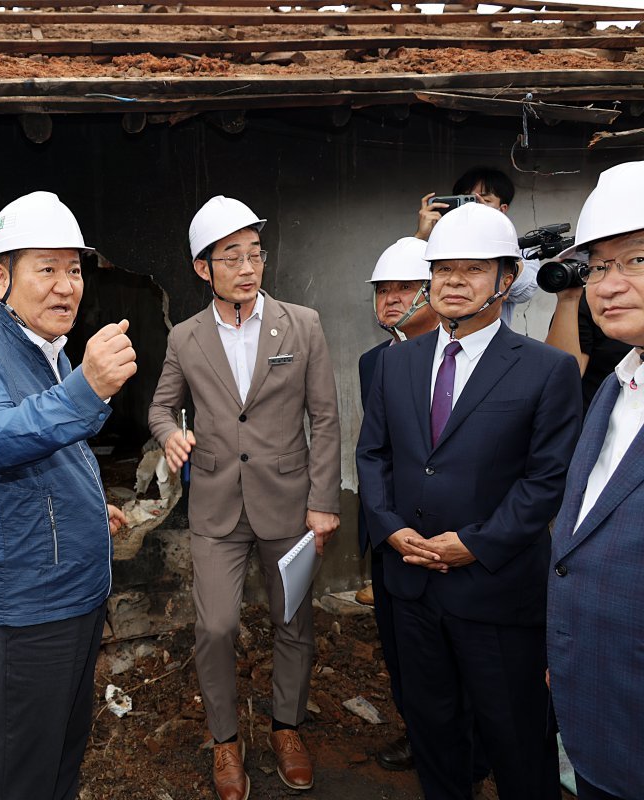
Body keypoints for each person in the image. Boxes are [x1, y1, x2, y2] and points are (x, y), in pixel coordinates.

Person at [357, 201, 581, 800]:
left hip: (496, 593)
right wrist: (388, 527)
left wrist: (475, 545)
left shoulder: (545, 371)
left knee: (515, 738)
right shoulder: (394, 365)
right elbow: (373, 456)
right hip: (412, 587)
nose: (453, 281)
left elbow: (544, 481)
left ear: (506, 281)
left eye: (473, 269)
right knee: (433, 733)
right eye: (443, 268)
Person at [0, 191, 135, 800]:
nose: (66, 286)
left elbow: (52, 446)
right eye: (46, 268)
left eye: (74, 269)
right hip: (26, 609)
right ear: (1, 278)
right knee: (21, 776)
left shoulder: (44, 348)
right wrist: (87, 389)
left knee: (61, 757)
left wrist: (85, 506)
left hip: (71, 595)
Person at [149, 196, 341, 798]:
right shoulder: (185, 337)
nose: (247, 266)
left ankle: (287, 728)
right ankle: (225, 742)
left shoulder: (301, 323)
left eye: (254, 253)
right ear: (203, 268)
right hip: (214, 504)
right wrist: (171, 435)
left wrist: (324, 499)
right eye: (230, 256)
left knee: (293, 621)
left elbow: (326, 418)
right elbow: (159, 406)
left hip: (288, 502)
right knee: (216, 626)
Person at [547, 160, 644, 800]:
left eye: (635, 260)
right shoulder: (615, 388)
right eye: (599, 266)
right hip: (598, 708)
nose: (609, 284)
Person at [355, 236, 437, 772]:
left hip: (447, 535)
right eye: (382, 290)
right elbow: (376, 450)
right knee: (399, 647)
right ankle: (420, 736)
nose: (390, 299)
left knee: (448, 651)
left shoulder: (459, 358)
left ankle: (466, 748)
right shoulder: (372, 362)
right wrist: (383, 524)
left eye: (404, 287)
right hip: (388, 533)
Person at [415, 166, 539, 325]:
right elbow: (406, 286)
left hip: (491, 345)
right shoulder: (434, 244)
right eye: (467, 200)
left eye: (484, 201)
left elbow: (525, 290)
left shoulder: (515, 247)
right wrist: (421, 236)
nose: (472, 207)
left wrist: (489, 231)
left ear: (502, 209)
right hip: (432, 343)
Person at [544, 287, 631, 414]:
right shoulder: (589, 300)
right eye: (597, 269)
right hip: (597, 418)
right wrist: (568, 301)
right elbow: (560, 379)